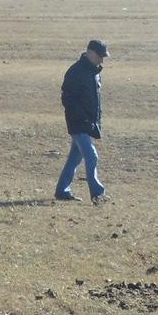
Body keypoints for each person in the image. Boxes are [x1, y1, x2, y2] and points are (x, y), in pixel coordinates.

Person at [55, 39, 109, 205]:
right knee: (91, 156)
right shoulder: (76, 71)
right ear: (90, 53)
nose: (102, 60)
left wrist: (94, 122)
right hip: (78, 123)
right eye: (100, 56)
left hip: (88, 124)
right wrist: (82, 118)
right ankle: (97, 193)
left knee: (74, 159)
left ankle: (62, 191)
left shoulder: (94, 72)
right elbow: (68, 98)